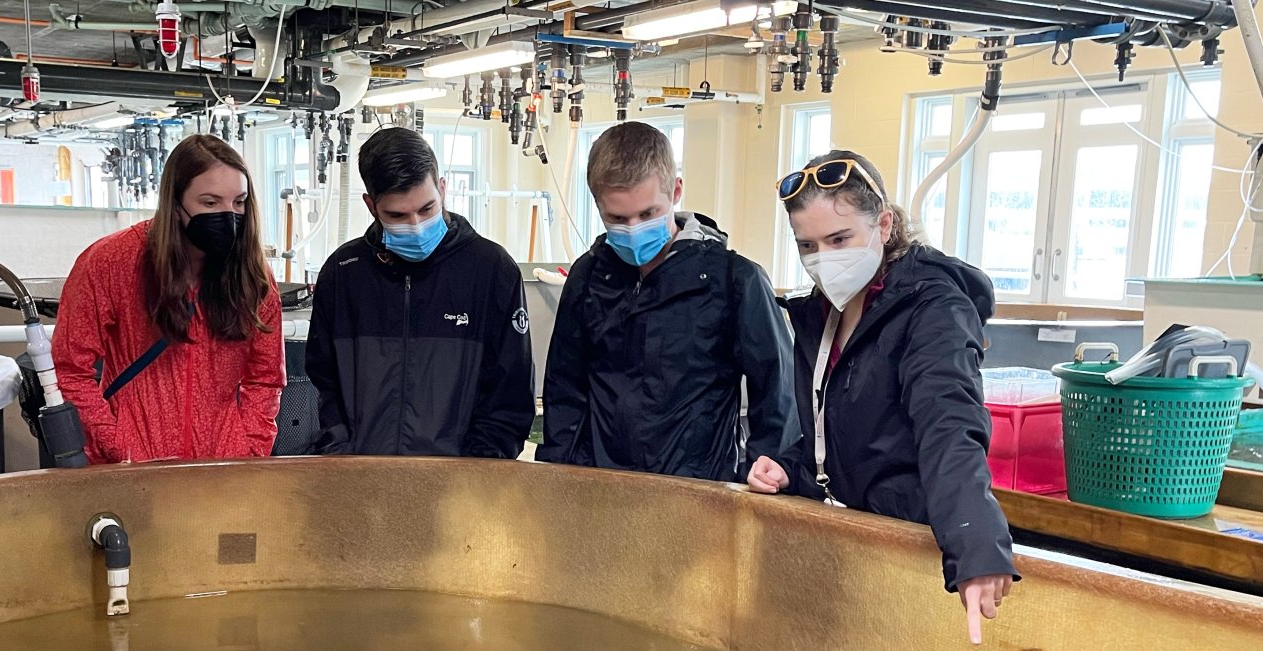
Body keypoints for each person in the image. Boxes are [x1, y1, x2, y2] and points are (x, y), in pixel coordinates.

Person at [747, 149, 1016, 644]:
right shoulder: (823, 312)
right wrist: (792, 465)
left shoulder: (934, 308)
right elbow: (848, 430)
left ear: (885, 224)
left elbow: (949, 424)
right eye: (808, 246)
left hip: (908, 544)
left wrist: (975, 544)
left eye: (840, 239)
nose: (824, 259)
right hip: (846, 541)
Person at [537, 121, 799, 483]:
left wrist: (764, 475)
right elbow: (564, 389)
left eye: (647, 214)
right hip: (599, 490)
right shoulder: (589, 277)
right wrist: (558, 474)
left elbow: (778, 398)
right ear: (596, 205)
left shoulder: (733, 282)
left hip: (697, 494)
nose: (633, 228)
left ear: (675, 190)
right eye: (617, 218)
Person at [54, 134, 284, 464]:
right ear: (176, 204)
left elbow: (265, 378)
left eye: (239, 202)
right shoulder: (111, 262)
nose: (228, 215)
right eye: (210, 202)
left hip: (223, 470)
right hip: (135, 467)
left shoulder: (252, 275)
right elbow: (71, 371)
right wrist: (115, 443)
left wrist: (247, 448)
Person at [306, 127, 534, 458]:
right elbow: (321, 384)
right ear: (371, 205)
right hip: (359, 481)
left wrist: (478, 472)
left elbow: (509, 396)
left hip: (461, 487)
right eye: (397, 215)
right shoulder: (343, 273)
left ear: (442, 188)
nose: (415, 225)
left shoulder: (492, 271)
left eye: (427, 209)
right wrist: (342, 454)